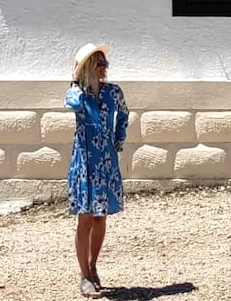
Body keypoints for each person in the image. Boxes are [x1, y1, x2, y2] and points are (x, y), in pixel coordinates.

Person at [65, 43, 129, 298]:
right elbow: (71, 103)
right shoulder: (77, 93)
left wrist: (118, 139)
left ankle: (93, 267)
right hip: (85, 161)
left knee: (101, 217)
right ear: (88, 67)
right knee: (86, 216)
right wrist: (77, 77)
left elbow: (124, 114)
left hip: (106, 160)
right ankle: (84, 276)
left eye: (105, 63)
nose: (104, 68)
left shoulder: (114, 92)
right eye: (98, 63)